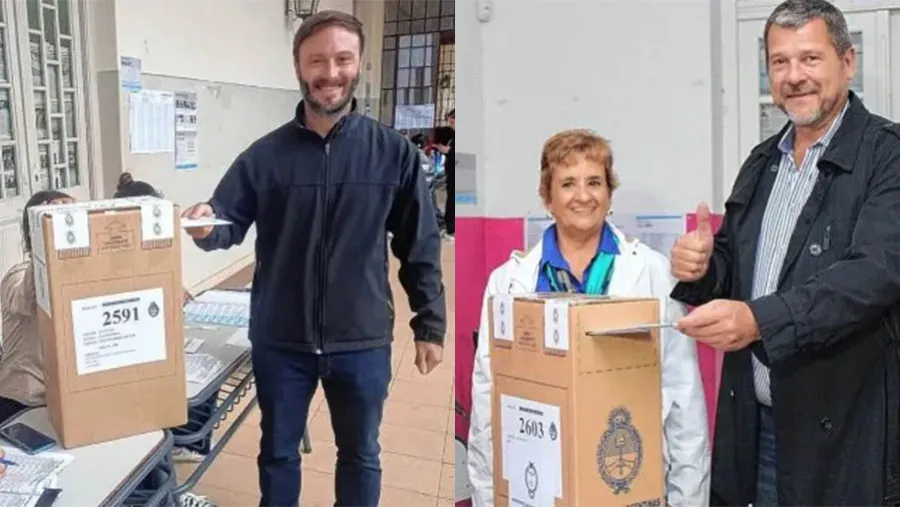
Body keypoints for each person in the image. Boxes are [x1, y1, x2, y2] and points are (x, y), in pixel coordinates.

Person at [181, 10, 446, 507]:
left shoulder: (392, 154)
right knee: (278, 454)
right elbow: (226, 222)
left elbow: (420, 244)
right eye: (317, 60)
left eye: (342, 59)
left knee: (360, 454)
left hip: (361, 339)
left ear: (360, 65)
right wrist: (204, 224)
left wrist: (429, 323)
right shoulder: (265, 156)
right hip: (281, 340)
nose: (330, 72)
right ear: (299, 67)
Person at [669, 1, 900, 504]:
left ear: (848, 61)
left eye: (810, 59)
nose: (795, 76)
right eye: (779, 61)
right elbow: (736, 269)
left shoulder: (888, 154)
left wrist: (761, 321)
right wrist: (704, 267)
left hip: (845, 440)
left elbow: (874, 274)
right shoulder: (762, 161)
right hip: (755, 432)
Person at [468, 129, 710, 507]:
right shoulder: (509, 283)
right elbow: (488, 398)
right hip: (540, 484)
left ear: (609, 193)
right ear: (547, 197)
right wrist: (488, 495)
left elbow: (683, 398)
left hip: (625, 473)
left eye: (594, 182)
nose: (583, 196)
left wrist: (688, 499)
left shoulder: (651, 273)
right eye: (568, 184)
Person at [113, 172, 218, 465]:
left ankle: (193, 440)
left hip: (158, 337)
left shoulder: (151, 241)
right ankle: (184, 441)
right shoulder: (113, 247)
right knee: (185, 377)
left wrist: (176, 291)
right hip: (130, 352)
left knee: (207, 365)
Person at [0, 190, 74, 424]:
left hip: (65, 397)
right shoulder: (17, 274)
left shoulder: (77, 279)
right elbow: (27, 298)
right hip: (23, 401)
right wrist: (45, 232)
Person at [435, 110, 455, 240]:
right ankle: (450, 228)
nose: (451, 124)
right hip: (452, 171)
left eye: (453, 121)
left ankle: (453, 228)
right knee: (452, 199)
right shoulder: (451, 134)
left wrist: (450, 151)